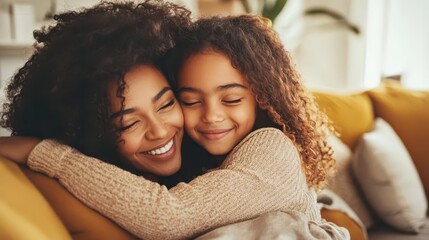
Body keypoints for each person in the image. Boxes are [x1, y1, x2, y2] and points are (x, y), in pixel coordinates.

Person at [0, 11, 348, 240]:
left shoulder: (270, 147)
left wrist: (45, 154)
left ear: (262, 97)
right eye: (190, 101)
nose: (210, 116)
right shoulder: (189, 162)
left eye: (231, 99)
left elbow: (169, 215)